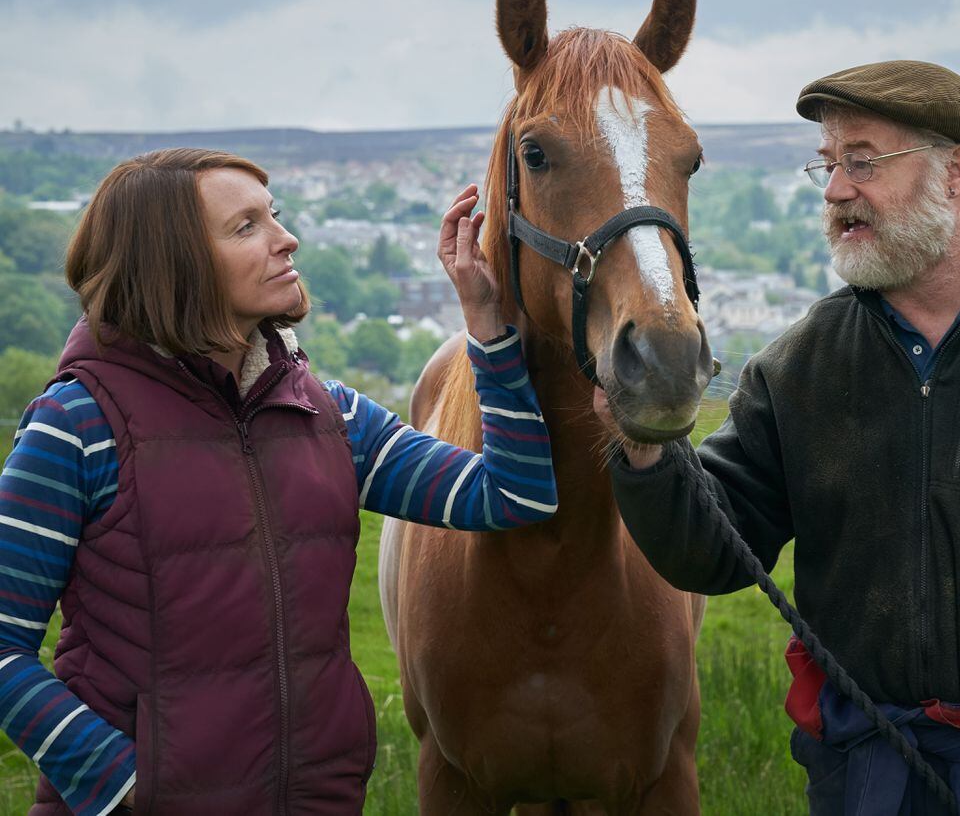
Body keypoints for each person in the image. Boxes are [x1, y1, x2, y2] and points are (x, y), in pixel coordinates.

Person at [595, 61, 960, 815]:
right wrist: (645, 445)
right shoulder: (798, 367)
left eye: (863, 160)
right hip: (871, 777)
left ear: (955, 172)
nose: (835, 189)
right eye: (828, 163)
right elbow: (712, 550)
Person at [0, 148, 557, 815]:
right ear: (170, 262)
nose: (285, 238)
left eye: (276, 216)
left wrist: (487, 325)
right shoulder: (77, 424)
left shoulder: (330, 415)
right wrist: (125, 786)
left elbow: (515, 494)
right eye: (246, 228)